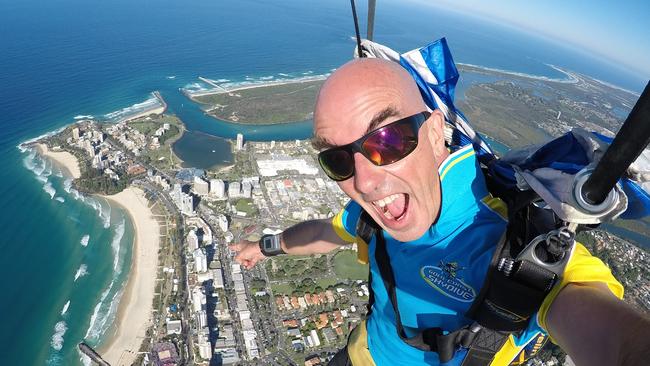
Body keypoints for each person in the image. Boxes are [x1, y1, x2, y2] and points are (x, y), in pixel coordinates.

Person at [229, 58, 650, 365]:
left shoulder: (526, 254)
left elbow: (617, 340)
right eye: (338, 160)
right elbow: (328, 231)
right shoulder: (373, 217)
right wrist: (264, 246)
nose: (364, 182)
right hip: (360, 355)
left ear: (434, 135)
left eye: (388, 140)